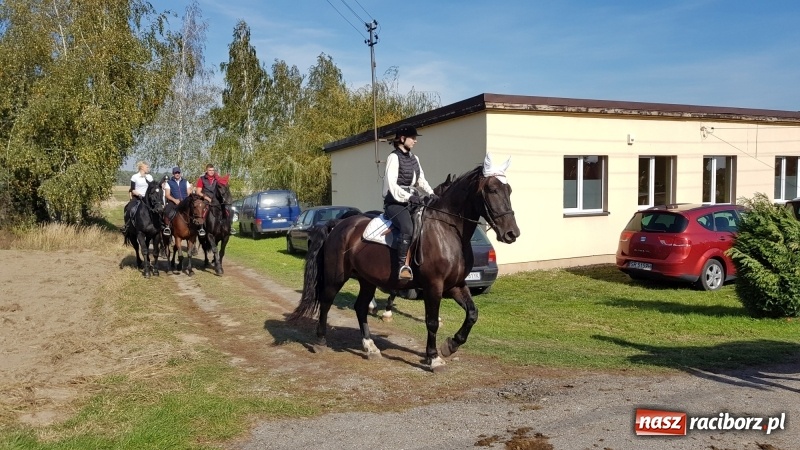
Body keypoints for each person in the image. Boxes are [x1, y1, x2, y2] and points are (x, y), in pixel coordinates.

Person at [382, 125, 437, 280]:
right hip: (395, 203)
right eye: (413, 138)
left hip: (413, 201)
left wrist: (431, 193)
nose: (415, 141)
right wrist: (408, 197)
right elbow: (392, 185)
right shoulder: (393, 158)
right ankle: (402, 267)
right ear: (402, 139)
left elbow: (421, 181)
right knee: (407, 228)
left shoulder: (414, 158)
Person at [194, 163, 229, 237]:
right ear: (206, 171)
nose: (211, 172)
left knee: (227, 209)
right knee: (201, 209)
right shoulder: (202, 179)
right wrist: (207, 198)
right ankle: (201, 228)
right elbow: (198, 192)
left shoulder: (217, 179)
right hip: (206, 199)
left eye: (213, 170)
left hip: (217, 200)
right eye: (210, 170)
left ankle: (228, 226)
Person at [121, 161, 153, 234]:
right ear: (142, 167)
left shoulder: (150, 177)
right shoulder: (134, 177)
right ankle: (127, 226)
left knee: (157, 209)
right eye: (147, 167)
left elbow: (152, 187)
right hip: (137, 197)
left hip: (147, 199)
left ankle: (161, 226)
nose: (148, 168)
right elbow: (132, 189)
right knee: (129, 209)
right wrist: (139, 195)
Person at [162, 166, 193, 236]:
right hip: (173, 202)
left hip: (185, 202)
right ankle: (167, 227)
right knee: (166, 211)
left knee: (195, 210)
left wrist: (186, 200)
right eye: (176, 173)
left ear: (180, 173)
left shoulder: (185, 182)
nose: (177, 174)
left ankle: (199, 228)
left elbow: (189, 192)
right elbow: (167, 195)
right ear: (173, 174)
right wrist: (175, 200)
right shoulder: (169, 183)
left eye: (178, 172)